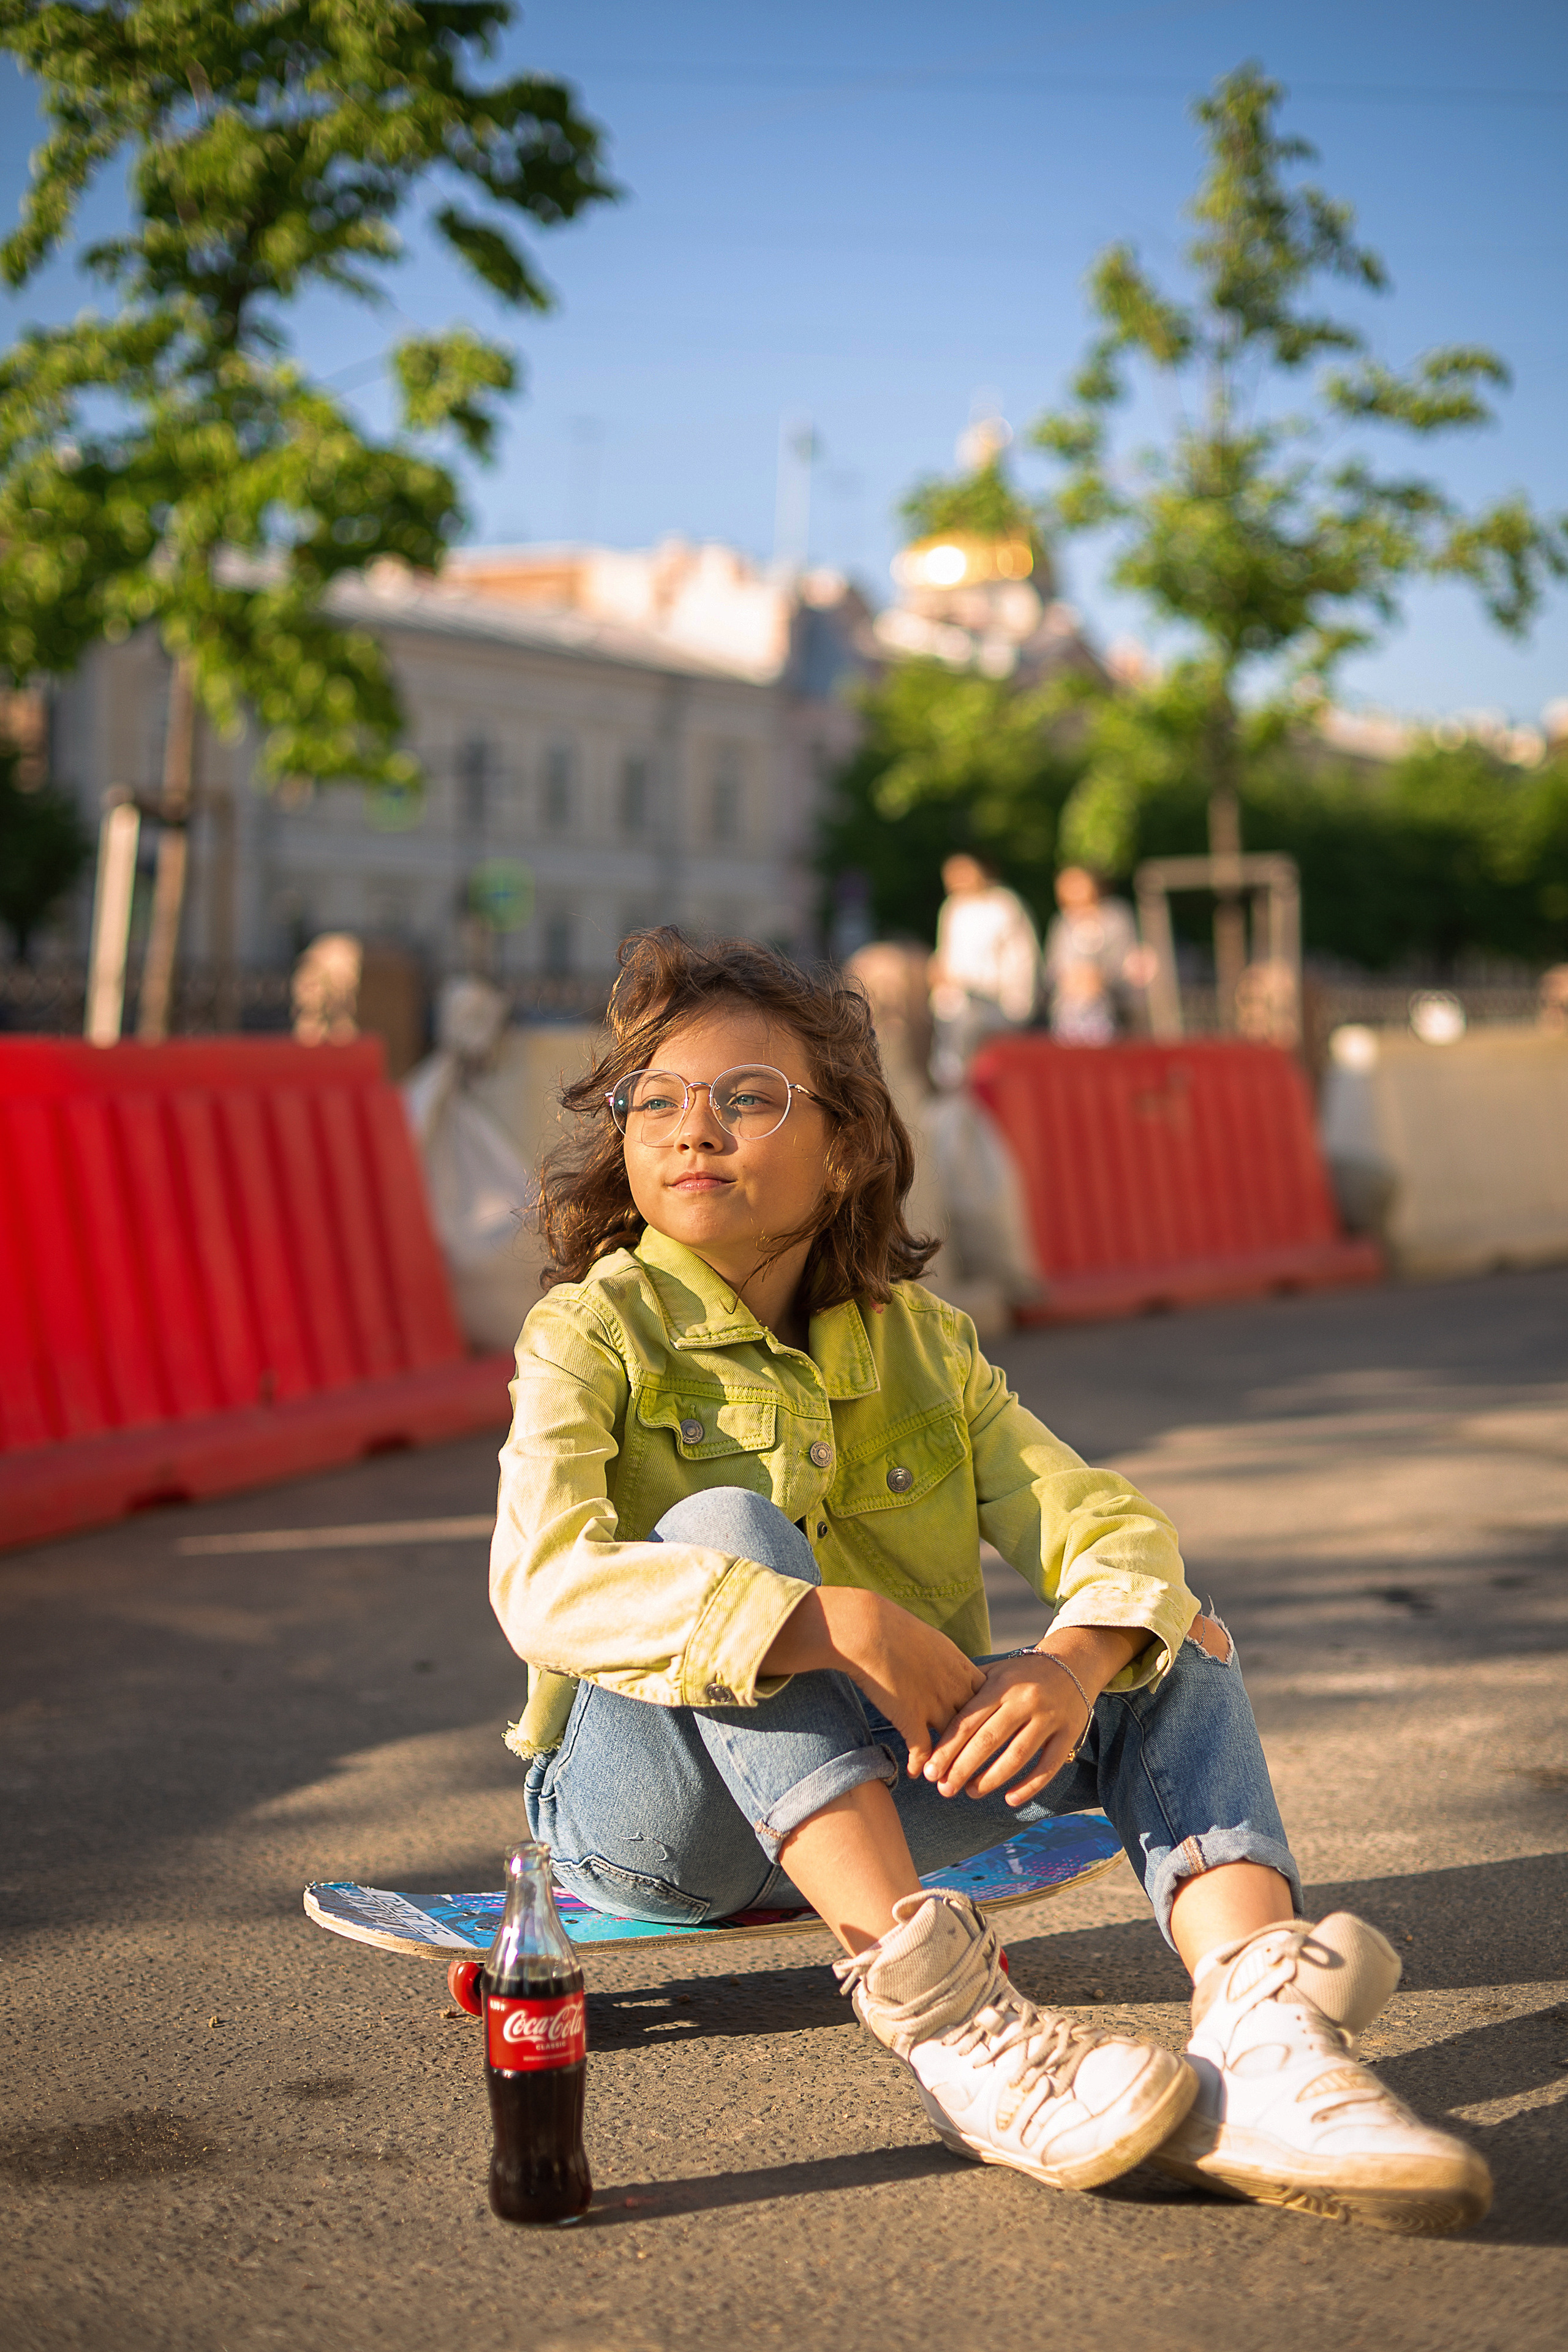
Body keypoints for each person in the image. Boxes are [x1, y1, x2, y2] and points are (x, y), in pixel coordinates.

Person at [489, 927, 1491, 2232]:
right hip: (652, 1822)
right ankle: (957, 2034)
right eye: (656, 1101)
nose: (694, 1130)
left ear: (844, 1145)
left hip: (900, 1792)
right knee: (728, 1530)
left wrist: (1074, 1663)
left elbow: (1108, 1527)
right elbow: (542, 1583)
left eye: (746, 1098)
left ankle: (1270, 2040)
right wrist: (827, 1619)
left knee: (1165, 1638)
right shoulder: (589, 1332)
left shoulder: (926, 1347)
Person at [927, 853, 1041, 1088]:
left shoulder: (1005, 905)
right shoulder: (952, 909)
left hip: (996, 1004)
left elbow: (1021, 960)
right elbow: (947, 952)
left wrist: (1018, 1007)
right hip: (955, 1004)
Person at [1043, 866, 1155, 1041]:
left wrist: (1100, 978)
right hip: (1069, 1009)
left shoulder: (1116, 918)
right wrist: (1072, 980)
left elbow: (1128, 961)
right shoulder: (1061, 924)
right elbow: (1053, 967)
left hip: (1112, 1005)